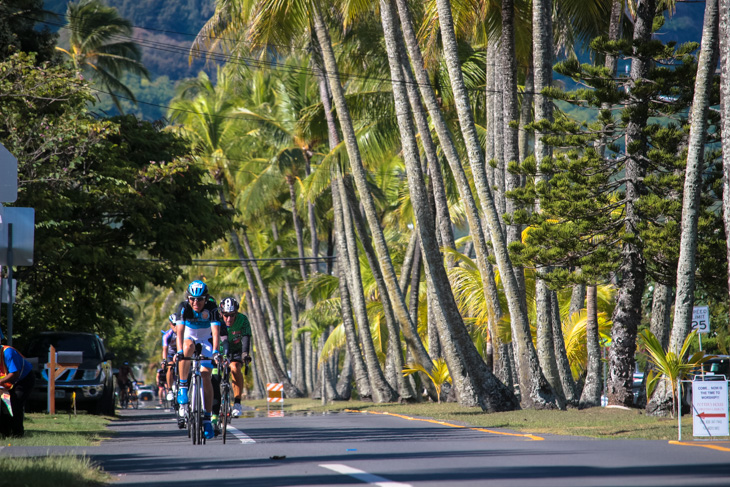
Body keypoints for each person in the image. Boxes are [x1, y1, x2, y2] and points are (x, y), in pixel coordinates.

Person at [174, 279, 221, 440]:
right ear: (188, 299)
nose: (195, 302)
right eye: (192, 299)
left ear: (205, 299)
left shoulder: (212, 308)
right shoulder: (183, 307)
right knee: (187, 349)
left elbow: (215, 333)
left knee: (206, 375)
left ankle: (207, 419)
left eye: (199, 299)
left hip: (206, 338)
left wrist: (215, 352)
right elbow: (179, 332)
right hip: (189, 336)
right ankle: (182, 386)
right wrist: (179, 352)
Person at [218, 296, 251, 418]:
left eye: (232, 315)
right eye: (226, 315)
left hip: (235, 351)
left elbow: (246, 337)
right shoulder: (216, 319)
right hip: (219, 351)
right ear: (221, 313)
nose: (229, 318)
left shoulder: (242, 319)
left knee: (235, 368)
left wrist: (245, 354)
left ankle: (237, 403)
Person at [0, 344, 35, 438]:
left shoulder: (8, 352)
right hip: (5, 383)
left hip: (23, 380)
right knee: (3, 404)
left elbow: (14, 374)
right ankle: (4, 433)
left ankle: (17, 434)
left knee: (14, 404)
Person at [161, 314, 178, 400]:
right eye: (174, 324)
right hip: (170, 355)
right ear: (170, 324)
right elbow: (165, 349)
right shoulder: (167, 335)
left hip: (181, 354)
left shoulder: (185, 332)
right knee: (170, 367)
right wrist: (164, 360)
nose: (176, 327)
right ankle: (170, 389)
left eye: (178, 324)